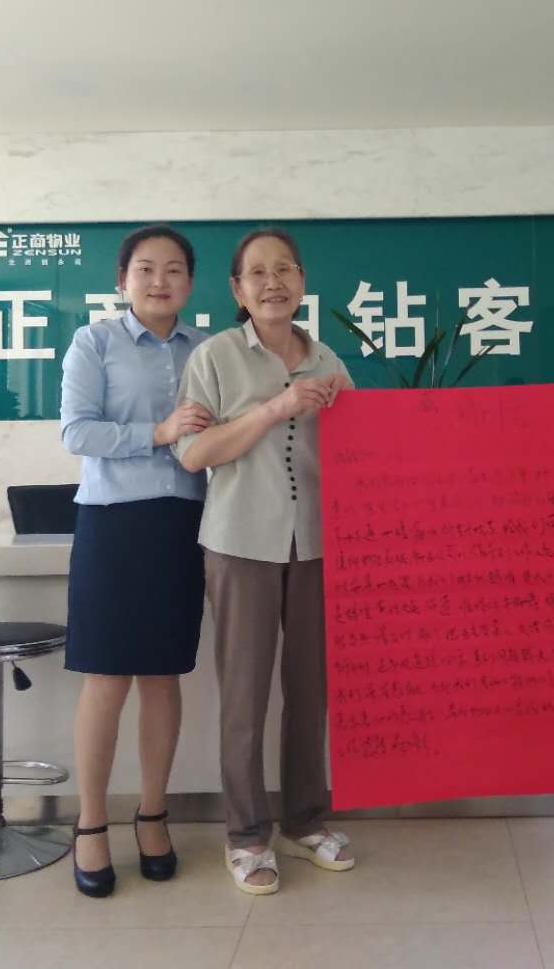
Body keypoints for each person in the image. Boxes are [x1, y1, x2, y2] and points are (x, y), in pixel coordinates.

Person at [175, 228, 355, 896]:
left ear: (303, 281)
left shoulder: (329, 359)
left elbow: (360, 448)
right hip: (240, 543)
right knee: (245, 695)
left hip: (317, 544)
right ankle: (247, 835)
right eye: (258, 272)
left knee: (310, 690)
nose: (273, 282)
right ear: (238, 289)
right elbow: (193, 454)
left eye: (285, 270)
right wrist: (275, 408)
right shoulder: (215, 356)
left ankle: (306, 820)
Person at [59, 224, 213, 898]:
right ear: (122, 280)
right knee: (107, 678)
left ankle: (153, 815)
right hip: (113, 523)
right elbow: (76, 431)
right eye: (145, 268)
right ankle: (91, 824)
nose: (159, 280)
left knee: (162, 676)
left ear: (190, 283)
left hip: (184, 522)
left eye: (174, 269)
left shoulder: (208, 349)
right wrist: (157, 432)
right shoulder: (94, 342)